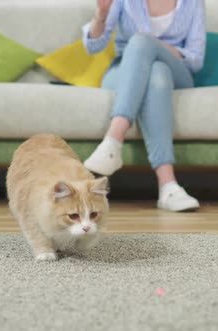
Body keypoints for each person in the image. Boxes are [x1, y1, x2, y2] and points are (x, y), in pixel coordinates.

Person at [82, 0, 206, 212]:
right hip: (125, 70)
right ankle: (168, 186)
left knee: (142, 43)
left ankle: (113, 141)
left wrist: (152, 47)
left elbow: (195, 59)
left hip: (177, 71)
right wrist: (101, 15)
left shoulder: (193, 3)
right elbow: (93, 46)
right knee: (157, 73)